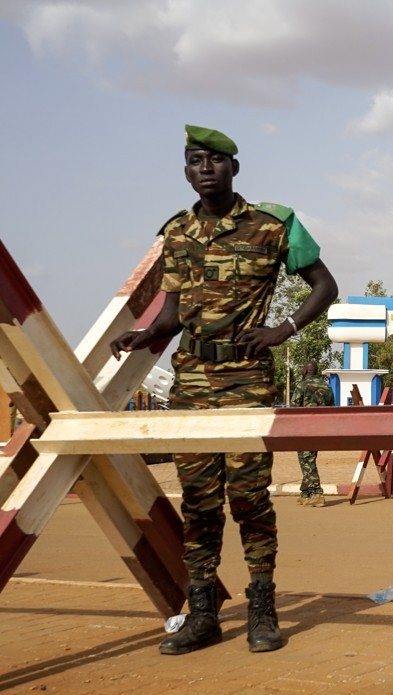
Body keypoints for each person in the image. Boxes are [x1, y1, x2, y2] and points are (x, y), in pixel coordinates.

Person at [110, 124, 338, 655]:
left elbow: (325, 286)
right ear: (185, 170)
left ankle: (262, 607)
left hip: (246, 379)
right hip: (191, 380)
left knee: (250, 497)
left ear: (235, 168)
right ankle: (204, 613)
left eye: (215, 160)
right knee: (199, 499)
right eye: (194, 161)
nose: (205, 169)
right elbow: (172, 312)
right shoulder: (177, 233)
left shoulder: (273, 225)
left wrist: (285, 330)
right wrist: (147, 335)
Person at [291, 360, 333, 507]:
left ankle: (317, 493)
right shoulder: (327, 387)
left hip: (305, 428)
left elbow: (294, 408)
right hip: (320, 428)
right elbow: (331, 408)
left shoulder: (302, 386)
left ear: (305, 371)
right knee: (308, 459)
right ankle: (305, 493)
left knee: (306, 459)